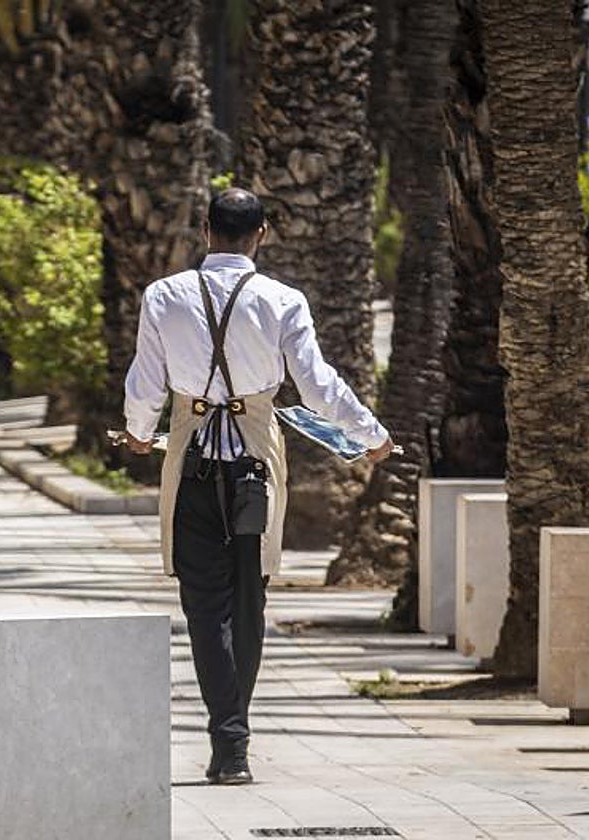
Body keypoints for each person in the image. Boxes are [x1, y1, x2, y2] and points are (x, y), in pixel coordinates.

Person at [122, 187, 394, 785]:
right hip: (256, 454)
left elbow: (144, 382)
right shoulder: (283, 299)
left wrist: (139, 434)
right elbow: (319, 385)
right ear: (261, 234)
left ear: (204, 230)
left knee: (203, 605)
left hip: (190, 451)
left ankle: (229, 741)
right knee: (250, 596)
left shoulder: (163, 295)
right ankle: (232, 741)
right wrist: (371, 436)